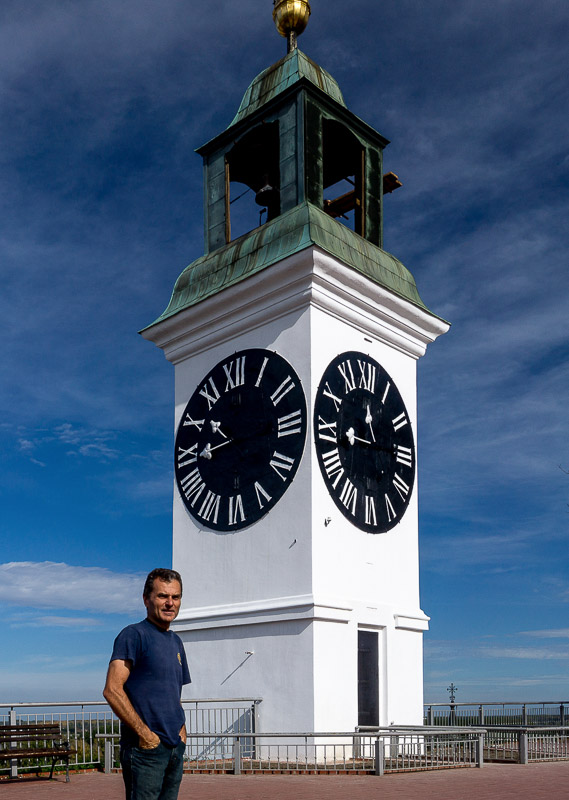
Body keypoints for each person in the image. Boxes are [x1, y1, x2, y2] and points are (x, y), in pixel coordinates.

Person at [103, 568, 191, 800]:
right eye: (163, 596)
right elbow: (112, 690)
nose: (170, 603)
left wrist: (181, 733)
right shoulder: (133, 635)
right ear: (146, 599)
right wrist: (146, 736)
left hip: (174, 748)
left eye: (176, 597)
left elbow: (173, 694)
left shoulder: (176, 642)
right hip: (146, 751)